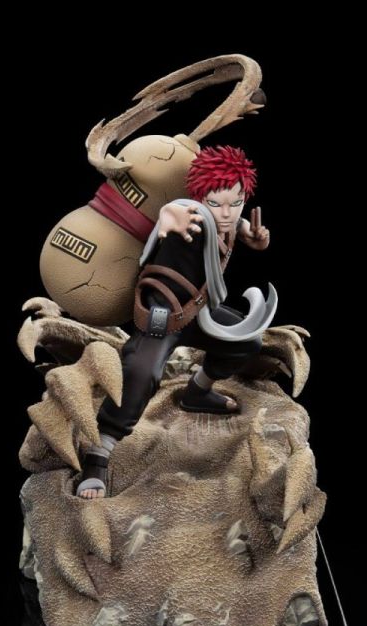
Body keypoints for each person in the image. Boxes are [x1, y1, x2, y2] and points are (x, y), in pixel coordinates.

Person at [77, 145, 272, 499]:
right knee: (140, 373)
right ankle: (98, 455)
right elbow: (171, 211)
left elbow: (239, 225)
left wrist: (255, 238)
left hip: (198, 314)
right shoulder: (187, 213)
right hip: (162, 317)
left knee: (246, 341)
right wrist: (170, 218)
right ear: (200, 197)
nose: (225, 212)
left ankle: (197, 391)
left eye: (236, 202)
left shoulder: (230, 221)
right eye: (215, 203)